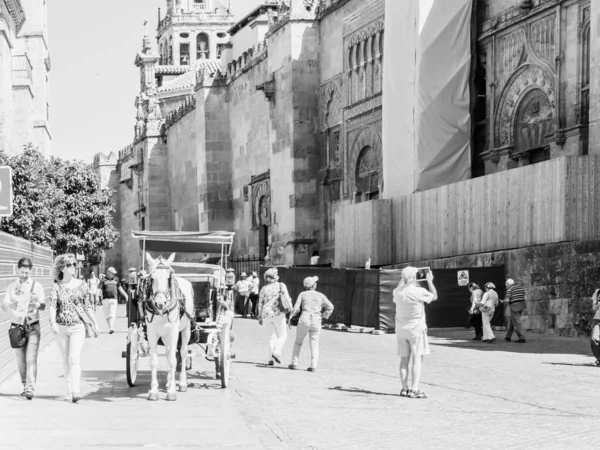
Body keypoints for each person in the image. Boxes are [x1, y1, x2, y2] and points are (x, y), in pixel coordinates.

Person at [48, 254, 100, 402]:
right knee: (65, 359)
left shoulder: (81, 285)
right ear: (62, 268)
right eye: (70, 264)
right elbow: (52, 306)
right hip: (61, 327)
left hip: (78, 327)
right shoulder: (57, 286)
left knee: (74, 358)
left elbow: (87, 306)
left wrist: (94, 322)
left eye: (74, 264)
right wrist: (52, 323)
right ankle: (68, 390)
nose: (73, 267)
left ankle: (76, 391)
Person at [1, 257, 46, 400]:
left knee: (30, 359)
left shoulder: (36, 286)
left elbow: (44, 305)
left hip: (33, 326)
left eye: (27, 272)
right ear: (17, 270)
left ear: (30, 271)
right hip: (17, 327)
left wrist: (37, 304)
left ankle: (30, 388)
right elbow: (4, 305)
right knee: (20, 361)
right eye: (22, 272)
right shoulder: (11, 287)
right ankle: (24, 384)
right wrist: (12, 303)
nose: (24, 275)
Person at [394, 266, 438, 399]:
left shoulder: (397, 292)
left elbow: (401, 286)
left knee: (403, 360)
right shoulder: (419, 291)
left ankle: (404, 388)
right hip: (416, 329)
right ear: (414, 278)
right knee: (417, 358)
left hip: (401, 329)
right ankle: (414, 388)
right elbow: (434, 297)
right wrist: (430, 281)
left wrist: (404, 279)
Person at [288, 276, 334, 372]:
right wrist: (324, 315)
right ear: (314, 285)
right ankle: (313, 365)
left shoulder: (302, 294)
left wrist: (290, 319)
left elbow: (296, 308)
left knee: (298, 342)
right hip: (316, 320)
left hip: (304, 319)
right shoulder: (320, 295)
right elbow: (330, 306)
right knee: (314, 344)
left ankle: (294, 363)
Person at [258, 268, 291, 366]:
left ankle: (270, 359)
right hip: (278, 313)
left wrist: (259, 316)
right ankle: (276, 352)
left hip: (266, 314)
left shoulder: (263, 288)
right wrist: (291, 310)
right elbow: (287, 298)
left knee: (271, 337)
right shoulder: (281, 285)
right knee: (283, 335)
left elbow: (260, 303)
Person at [98, 267, 128, 334]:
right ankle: (110, 327)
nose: (114, 274)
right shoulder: (103, 280)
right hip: (105, 299)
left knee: (112, 314)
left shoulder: (116, 279)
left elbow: (120, 289)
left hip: (114, 299)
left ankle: (111, 328)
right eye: (112, 273)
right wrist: (97, 295)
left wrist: (126, 295)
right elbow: (99, 289)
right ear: (108, 273)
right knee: (107, 315)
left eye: (114, 273)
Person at [501, 278, 526, 343]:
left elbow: (507, 300)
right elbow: (524, 296)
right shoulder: (520, 288)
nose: (506, 287)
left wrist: (502, 301)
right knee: (513, 321)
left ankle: (521, 337)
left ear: (508, 284)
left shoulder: (510, 289)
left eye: (506, 285)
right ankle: (508, 336)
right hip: (521, 305)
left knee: (517, 322)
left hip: (514, 306)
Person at [590, 288, 600, 366]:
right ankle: (599, 358)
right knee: (594, 338)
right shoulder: (597, 292)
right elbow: (594, 308)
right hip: (597, 319)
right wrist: (598, 305)